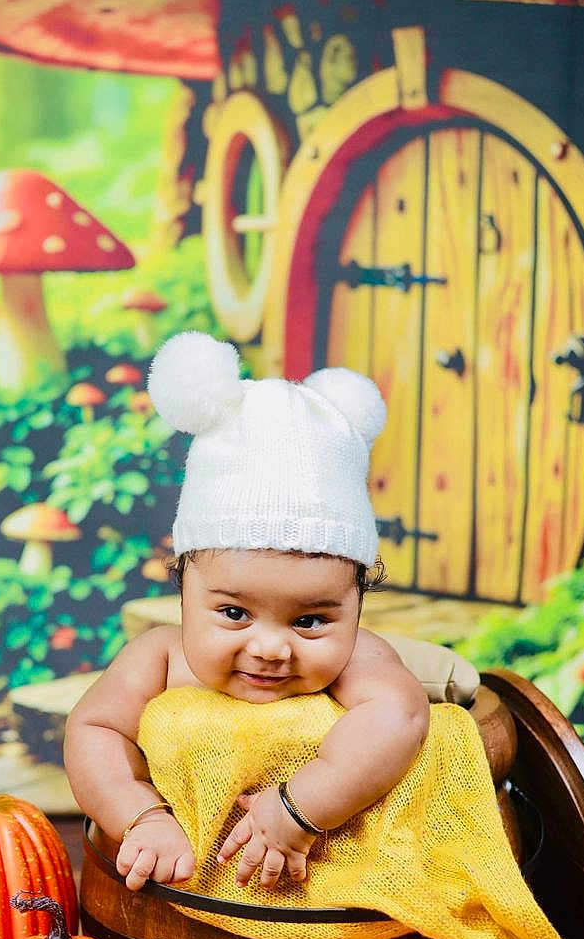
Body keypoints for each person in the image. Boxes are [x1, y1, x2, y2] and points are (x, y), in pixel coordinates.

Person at [63, 332, 430, 894]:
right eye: (234, 613)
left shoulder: (360, 660)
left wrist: (301, 808)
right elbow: (94, 729)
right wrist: (140, 815)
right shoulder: (160, 657)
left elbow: (400, 717)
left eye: (310, 622)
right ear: (184, 592)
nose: (271, 648)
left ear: (358, 604)